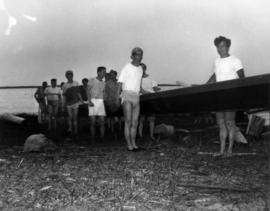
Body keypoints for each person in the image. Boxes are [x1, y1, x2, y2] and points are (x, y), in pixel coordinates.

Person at [207, 36, 245, 156]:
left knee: (230, 123)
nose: (220, 48)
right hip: (219, 96)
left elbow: (242, 78)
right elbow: (214, 77)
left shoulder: (235, 60)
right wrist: (204, 86)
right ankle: (221, 150)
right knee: (221, 124)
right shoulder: (216, 61)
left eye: (223, 46)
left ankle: (230, 150)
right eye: (218, 46)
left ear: (227, 47)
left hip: (231, 95)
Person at [118, 47, 144, 151]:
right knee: (128, 121)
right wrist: (117, 97)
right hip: (127, 95)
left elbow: (139, 84)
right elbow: (120, 82)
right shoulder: (127, 67)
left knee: (135, 122)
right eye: (137, 54)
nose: (139, 56)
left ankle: (134, 144)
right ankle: (129, 145)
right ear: (132, 56)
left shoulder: (140, 69)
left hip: (136, 96)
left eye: (141, 54)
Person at [138, 63, 160, 140]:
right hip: (142, 99)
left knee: (152, 119)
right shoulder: (137, 79)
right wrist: (148, 92)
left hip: (151, 100)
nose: (141, 70)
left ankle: (151, 135)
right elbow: (140, 89)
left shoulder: (151, 78)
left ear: (145, 69)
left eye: (142, 68)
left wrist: (156, 90)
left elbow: (155, 88)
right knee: (141, 119)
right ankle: (140, 136)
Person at [87, 66, 106, 140]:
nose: (104, 73)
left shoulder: (104, 83)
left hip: (100, 102)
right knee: (93, 122)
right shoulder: (92, 80)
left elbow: (103, 93)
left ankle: (102, 138)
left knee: (102, 121)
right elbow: (87, 91)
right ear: (98, 72)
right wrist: (89, 101)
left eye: (105, 72)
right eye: (103, 72)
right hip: (93, 101)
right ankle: (93, 138)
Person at [62, 70, 82, 137]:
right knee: (70, 117)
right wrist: (63, 105)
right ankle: (71, 130)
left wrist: (81, 100)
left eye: (71, 76)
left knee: (75, 118)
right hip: (68, 103)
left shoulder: (76, 83)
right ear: (66, 77)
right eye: (68, 76)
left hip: (76, 102)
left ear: (72, 76)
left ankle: (75, 131)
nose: (70, 77)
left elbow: (78, 93)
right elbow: (64, 96)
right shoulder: (64, 85)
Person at [104, 70, 122, 136]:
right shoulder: (107, 83)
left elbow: (122, 91)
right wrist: (105, 101)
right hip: (111, 102)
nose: (111, 76)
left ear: (115, 75)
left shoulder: (119, 82)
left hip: (119, 101)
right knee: (115, 117)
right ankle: (113, 132)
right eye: (110, 75)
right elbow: (105, 93)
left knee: (119, 117)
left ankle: (118, 131)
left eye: (112, 75)